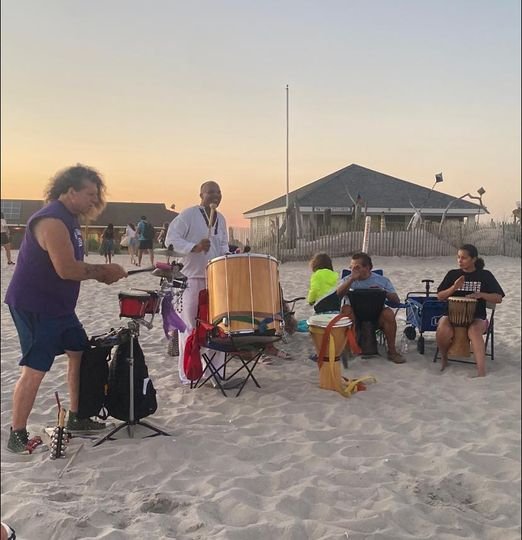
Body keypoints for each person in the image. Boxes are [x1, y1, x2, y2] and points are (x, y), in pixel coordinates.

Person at [4, 164, 128, 455]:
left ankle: (77, 417)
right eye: (89, 194)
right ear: (69, 191)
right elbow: (66, 269)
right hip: (35, 305)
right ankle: (17, 433)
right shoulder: (52, 221)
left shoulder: (71, 219)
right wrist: (103, 271)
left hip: (60, 307)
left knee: (79, 352)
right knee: (34, 369)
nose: (93, 201)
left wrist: (102, 271)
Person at [166, 181, 239, 387]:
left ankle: (213, 374)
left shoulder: (221, 219)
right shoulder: (188, 215)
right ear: (201, 194)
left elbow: (223, 244)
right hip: (191, 279)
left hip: (215, 279)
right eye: (210, 192)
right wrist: (194, 247)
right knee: (189, 327)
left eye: (218, 192)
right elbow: (171, 240)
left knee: (218, 328)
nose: (215, 196)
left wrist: (227, 257)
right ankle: (188, 373)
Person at [436, 244, 504, 377]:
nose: (460, 261)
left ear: (474, 259)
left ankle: (481, 371)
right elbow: (440, 296)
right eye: (458, 257)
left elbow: (498, 298)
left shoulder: (485, 275)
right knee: (443, 329)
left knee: (473, 331)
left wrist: (481, 295)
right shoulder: (452, 274)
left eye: (464, 258)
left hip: (477, 317)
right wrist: (454, 287)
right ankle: (444, 359)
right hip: (452, 315)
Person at [336, 252, 405, 364]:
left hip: (376, 315)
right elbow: (337, 296)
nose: (353, 270)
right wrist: (351, 280)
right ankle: (347, 350)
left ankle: (392, 352)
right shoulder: (347, 280)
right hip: (355, 316)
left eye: (357, 267)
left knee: (388, 313)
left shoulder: (382, 281)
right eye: (351, 267)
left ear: (368, 267)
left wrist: (383, 291)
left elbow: (396, 300)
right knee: (346, 310)